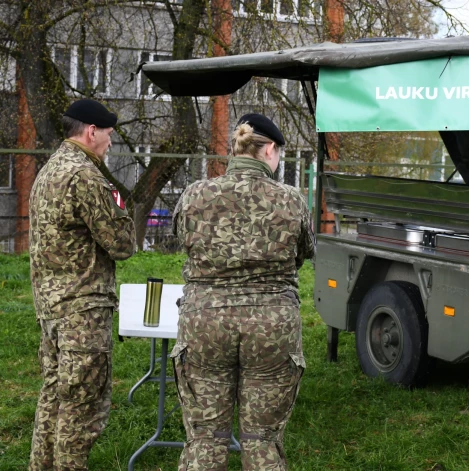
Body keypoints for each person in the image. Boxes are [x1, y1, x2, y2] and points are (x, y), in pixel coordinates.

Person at [171, 113, 315, 470]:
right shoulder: (291, 200)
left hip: (205, 321)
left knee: (205, 437)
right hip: (271, 324)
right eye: (279, 152)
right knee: (262, 439)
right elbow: (303, 252)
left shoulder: (195, 195)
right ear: (268, 150)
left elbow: (183, 241)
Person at [28, 99, 137, 470]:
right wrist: (124, 209)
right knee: (80, 410)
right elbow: (121, 245)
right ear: (92, 132)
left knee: (54, 400)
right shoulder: (86, 176)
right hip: (82, 311)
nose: (110, 143)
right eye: (108, 135)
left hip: (52, 307)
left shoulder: (50, 169)